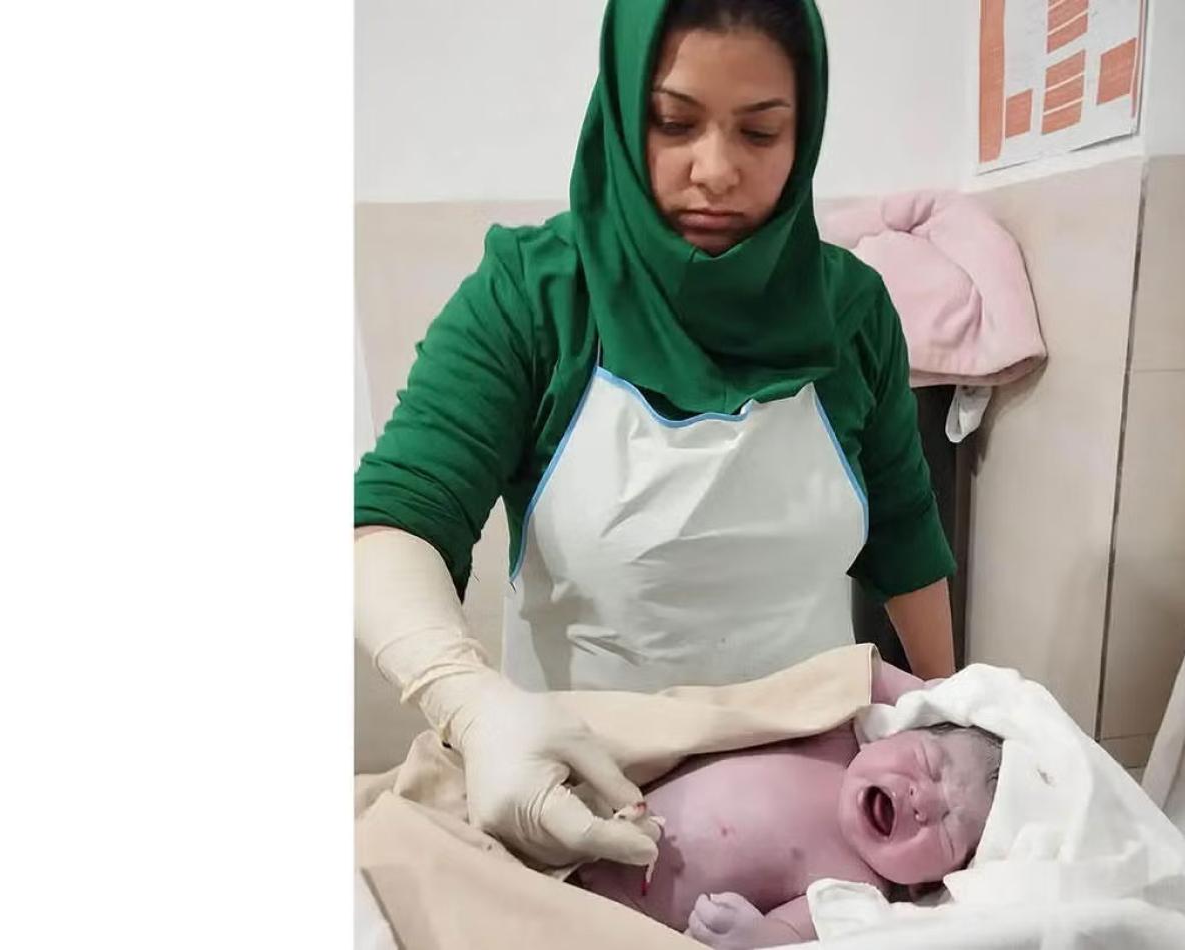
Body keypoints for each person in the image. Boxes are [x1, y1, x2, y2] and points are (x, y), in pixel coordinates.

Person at [354, 0, 957, 873]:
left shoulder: (852, 312)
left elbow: (905, 537)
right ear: (621, 109)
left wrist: (952, 712)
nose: (716, 170)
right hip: (586, 800)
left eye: (760, 132)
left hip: (820, 806)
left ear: (805, 133)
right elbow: (394, 520)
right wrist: (471, 704)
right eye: (673, 123)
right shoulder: (534, 298)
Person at [573, 665, 1002, 949]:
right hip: (593, 805)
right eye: (929, 764)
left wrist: (754, 935)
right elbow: (851, 677)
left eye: (948, 829)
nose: (923, 801)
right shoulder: (835, 737)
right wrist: (928, 691)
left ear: (925, 886)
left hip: (612, 913)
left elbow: (789, 933)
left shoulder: (852, 887)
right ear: (897, 730)